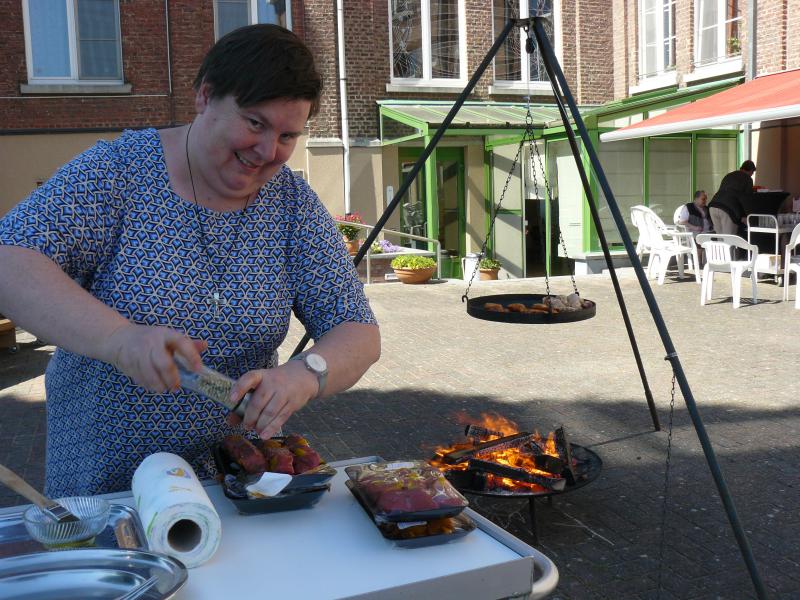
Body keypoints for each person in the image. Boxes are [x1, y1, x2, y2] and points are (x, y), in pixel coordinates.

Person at [0, 25, 380, 497]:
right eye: (255, 123)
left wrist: (306, 374)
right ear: (205, 96)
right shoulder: (121, 171)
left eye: (287, 135)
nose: (267, 152)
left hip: (237, 483)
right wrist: (119, 339)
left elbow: (357, 329)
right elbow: (10, 257)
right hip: (109, 485)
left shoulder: (290, 203)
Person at [708, 160, 756, 235]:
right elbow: (747, 198)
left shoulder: (729, 175)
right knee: (729, 240)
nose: (752, 175)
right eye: (752, 172)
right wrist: (745, 215)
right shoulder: (747, 179)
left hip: (713, 205)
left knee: (720, 239)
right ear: (751, 170)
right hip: (728, 209)